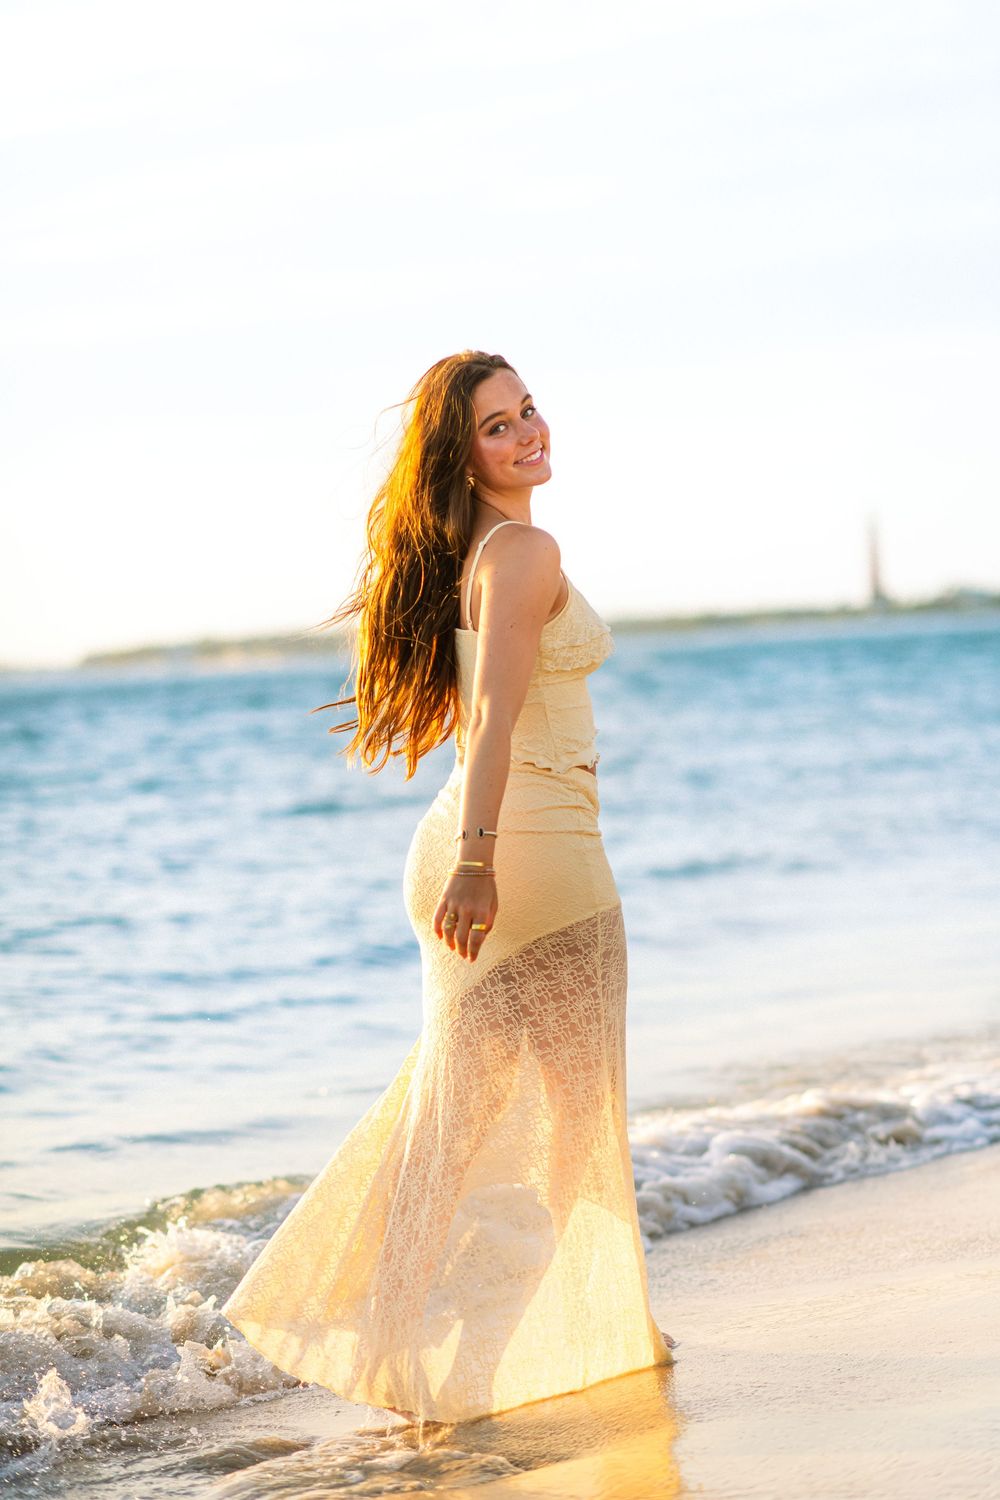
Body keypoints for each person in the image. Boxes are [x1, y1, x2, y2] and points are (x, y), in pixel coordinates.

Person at [220, 350, 676, 1427]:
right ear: (462, 459)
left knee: (451, 1119)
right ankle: (462, 1354)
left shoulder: (485, 550)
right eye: (497, 427)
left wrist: (470, 854)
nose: (528, 435)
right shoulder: (522, 548)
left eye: (529, 411)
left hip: (487, 849)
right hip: (530, 857)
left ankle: (403, 1343)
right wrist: (476, 858)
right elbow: (491, 722)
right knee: (568, 1125)